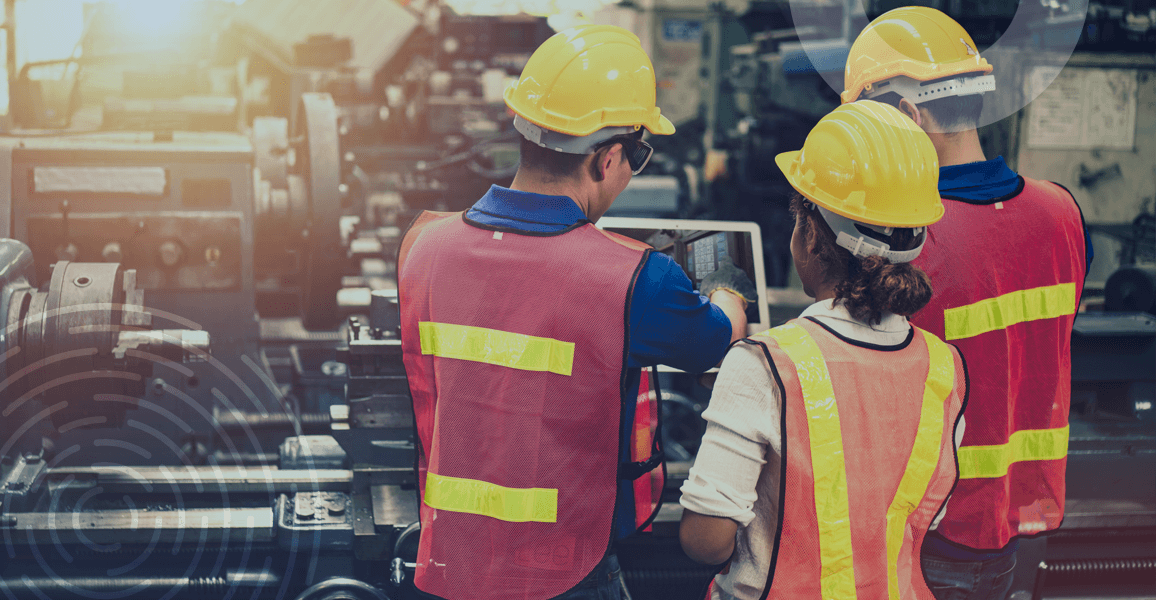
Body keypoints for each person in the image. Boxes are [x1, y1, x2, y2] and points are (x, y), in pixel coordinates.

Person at [396, 25, 757, 600]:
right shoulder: (635, 277)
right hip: (565, 569)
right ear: (608, 156)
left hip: (453, 563)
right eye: (636, 157)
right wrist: (729, 292)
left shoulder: (425, 246)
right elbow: (713, 342)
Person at [843, 8, 1090, 598]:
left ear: (907, 114)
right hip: (1019, 519)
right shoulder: (1062, 213)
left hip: (927, 528)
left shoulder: (907, 238)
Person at [679, 100, 969, 600]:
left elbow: (705, 542)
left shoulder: (765, 365)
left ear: (810, 234)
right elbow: (925, 515)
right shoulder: (945, 369)